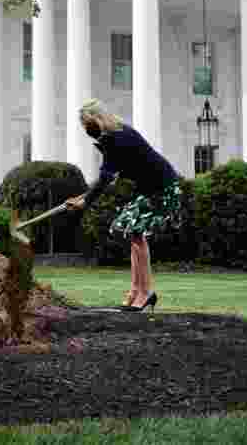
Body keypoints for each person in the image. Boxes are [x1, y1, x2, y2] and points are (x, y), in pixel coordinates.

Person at [65, 98, 183, 312]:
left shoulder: (115, 138)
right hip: (148, 187)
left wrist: (84, 202)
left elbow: (105, 178)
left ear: (96, 120)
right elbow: (109, 176)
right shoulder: (116, 134)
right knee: (132, 233)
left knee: (136, 232)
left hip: (162, 186)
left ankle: (145, 292)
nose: (85, 129)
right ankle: (137, 290)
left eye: (86, 124)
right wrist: (83, 198)